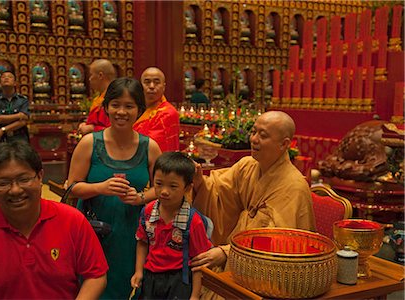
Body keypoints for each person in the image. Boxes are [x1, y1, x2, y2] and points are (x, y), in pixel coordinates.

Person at [0, 140, 108, 299]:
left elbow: (95, 275)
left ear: (40, 176)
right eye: (3, 183)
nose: (15, 190)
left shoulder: (72, 220)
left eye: (24, 179)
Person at [67, 77, 162, 299]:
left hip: (132, 234)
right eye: (116, 105)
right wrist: (101, 187)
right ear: (106, 107)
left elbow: (162, 189)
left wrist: (140, 197)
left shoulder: (150, 147)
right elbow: (71, 188)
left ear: (139, 109)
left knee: (127, 285)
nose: (122, 112)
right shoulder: (90, 143)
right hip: (94, 230)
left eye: (129, 106)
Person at [190, 111, 316, 277]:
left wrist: (227, 253)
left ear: (284, 144)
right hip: (237, 255)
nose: (254, 139)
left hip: (267, 275)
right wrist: (199, 182)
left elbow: (278, 242)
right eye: (253, 131)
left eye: (262, 135)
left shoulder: (294, 187)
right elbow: (217, 191)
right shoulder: (247, 166)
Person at [131, 152, 213, 300]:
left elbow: (199, 261)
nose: (164, 191)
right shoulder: (148, 212)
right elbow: (143, 242)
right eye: (159, 183)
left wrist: (195, 295)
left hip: (179, 280)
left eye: (173, 186)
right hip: (151, 277)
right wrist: (138, 271)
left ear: (187, 188)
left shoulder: (192, 221)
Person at [133, 67, 180, 152]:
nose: (151, 86)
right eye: (147, 82)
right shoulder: (134, 108)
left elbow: (153, 144)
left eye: (156, 82)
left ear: (164, 87)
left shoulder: (168, 113)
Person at [0, 71, 29, 145]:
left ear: (15, 83)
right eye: (3, 77)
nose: (6, 78)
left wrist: (3, 130)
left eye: (10, 77)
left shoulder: (22, 100)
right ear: (0, 83)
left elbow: (23, 121)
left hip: (19, 137)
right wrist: (18, 115)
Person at [77, 59, 116, 135]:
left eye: (91, 75)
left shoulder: (114, 98)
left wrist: (91, 128)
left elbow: (116, 129)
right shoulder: (98, 98)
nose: (89, 79)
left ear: (100, 75)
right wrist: (86, 125)